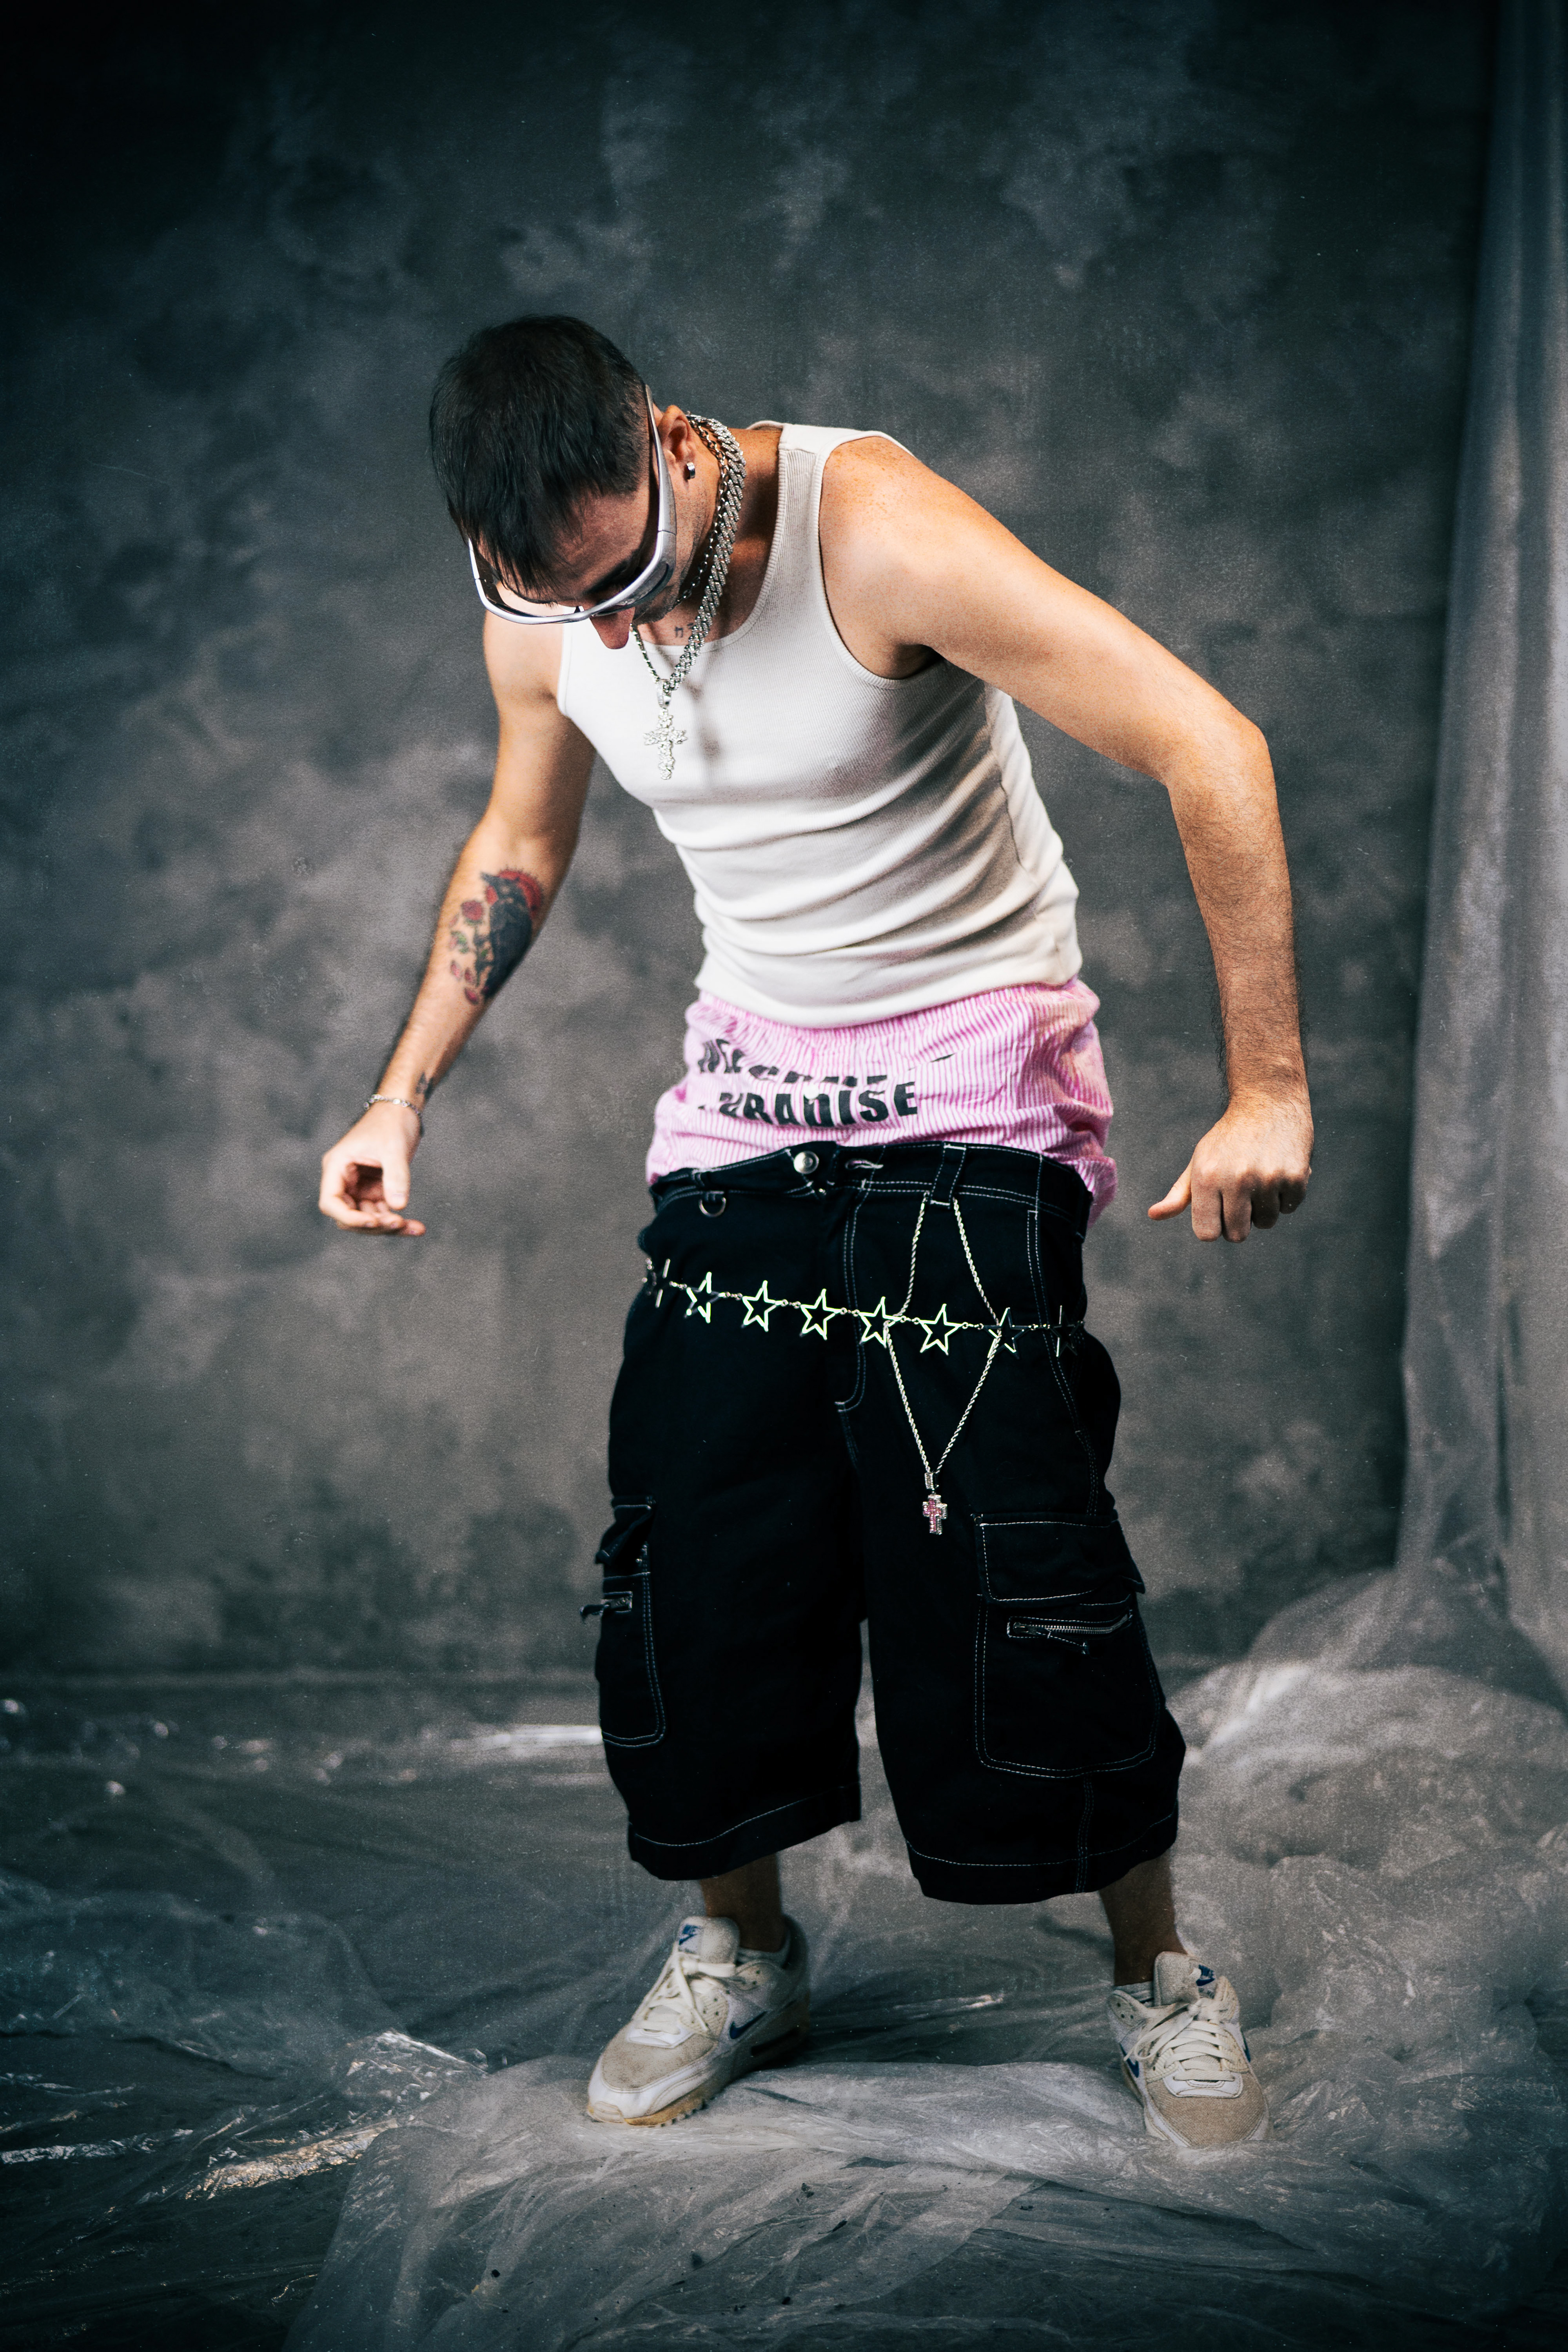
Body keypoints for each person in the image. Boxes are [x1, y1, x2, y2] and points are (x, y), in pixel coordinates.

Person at [319, 315, 1311, 2153]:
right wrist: (403, 1093)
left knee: (998, 1526)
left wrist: (1269, 1090)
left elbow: (1212, 744)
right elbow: (521, 838)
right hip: (752, 1095)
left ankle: (1160, 1971)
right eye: (561, 601)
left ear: (668, 442)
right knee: (698, 1533)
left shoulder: (876, 528)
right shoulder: (537, 607)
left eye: (630, 582)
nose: (612, 630)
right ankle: (743, 1953)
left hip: (976, 1077)